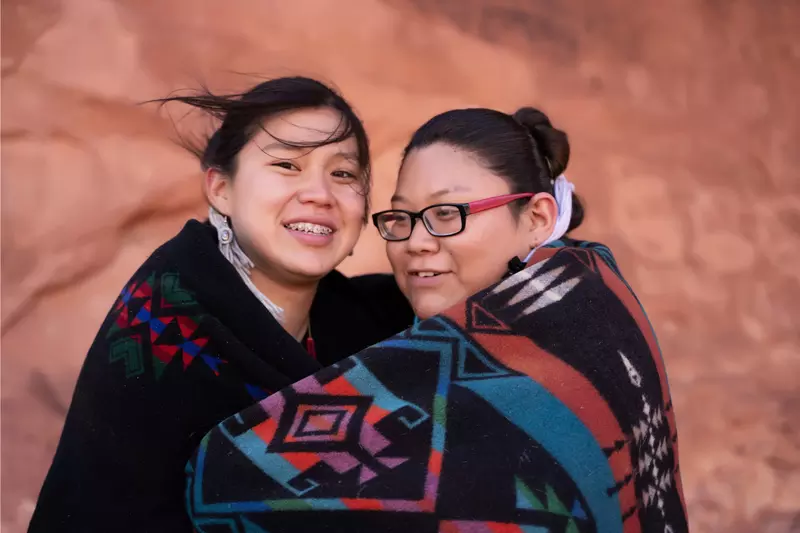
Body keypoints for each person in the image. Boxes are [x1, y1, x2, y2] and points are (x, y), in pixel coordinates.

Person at [185, 107, 689, 532]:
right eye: (401, 218)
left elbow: (236, 483)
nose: (417, 242)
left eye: (447, 213)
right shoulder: (402, 327)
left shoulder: (588, 331)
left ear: (535, 219)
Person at [28, 77, 413, 533]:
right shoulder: (166, 318)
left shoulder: (368, 325)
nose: (320, 194)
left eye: (344, 174)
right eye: (287, 164)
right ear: (220, 189)